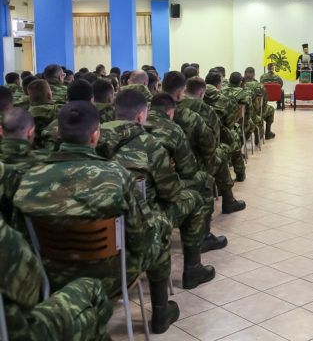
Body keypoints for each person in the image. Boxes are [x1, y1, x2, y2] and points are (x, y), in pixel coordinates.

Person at [14, 101, 179, 334]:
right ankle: (161, 313)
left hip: (53, 278)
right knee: (159, 228)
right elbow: (142, 237)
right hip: (112, 277)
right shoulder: (116, 176)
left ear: (59, 132)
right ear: (95, 135)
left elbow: (22, 242)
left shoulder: (29, 179)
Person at [96, 89, 216, 289]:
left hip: (98, 224)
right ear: (140, 116)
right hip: (141, 224)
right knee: (194, 197)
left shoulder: (92, 137)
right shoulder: (150, 145)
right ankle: (192, 270)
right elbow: (171, 193)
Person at [1, 204, 113, 341]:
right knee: (93, 289)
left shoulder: (21, 200)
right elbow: (31, 292)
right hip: (20, 334)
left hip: (50, 275)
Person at [145, 92, 227, 252]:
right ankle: (201, 244)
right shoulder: (173, 129)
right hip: (155, 198)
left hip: (125, 199)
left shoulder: (130, 127)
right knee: (204, 180)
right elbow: (188, 170)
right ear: (170, 112)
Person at [162, 72, 246, 214]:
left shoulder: (153, 107)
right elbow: (211, 146)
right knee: (220, 153)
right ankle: (228, 200)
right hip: (192, 165)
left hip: (161, 166)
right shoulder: (203, 110)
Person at [204, 70, 246, 182]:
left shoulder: (197, 96)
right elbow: (230, 123)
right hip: (218, 138)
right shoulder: (225, 99)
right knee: (234, 138)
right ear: (219, 85)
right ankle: (240, 173)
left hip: (198, 138)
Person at [244, 66, 275, 140]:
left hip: (243, 114)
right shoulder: (260, 86)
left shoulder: (240, 84)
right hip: (257, 113)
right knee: (271, 109)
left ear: (244, 75)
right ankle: (268, 133)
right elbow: (265, 101)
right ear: (254, 76)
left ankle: (246, 134)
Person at [27, 80, 59, 149]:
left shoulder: (25, 114)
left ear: (29, 98)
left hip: (33, 152)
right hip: (52, 151)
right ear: (49, 95)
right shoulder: (57, 111)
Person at [223, 71, 255, 141]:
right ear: (240, 82)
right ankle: (242, 141)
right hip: (239, 124)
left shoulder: (221, 91)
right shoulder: (245, 94)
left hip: (223, 124)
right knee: (251, 123)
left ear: (229, 80)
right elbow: (249, 112)